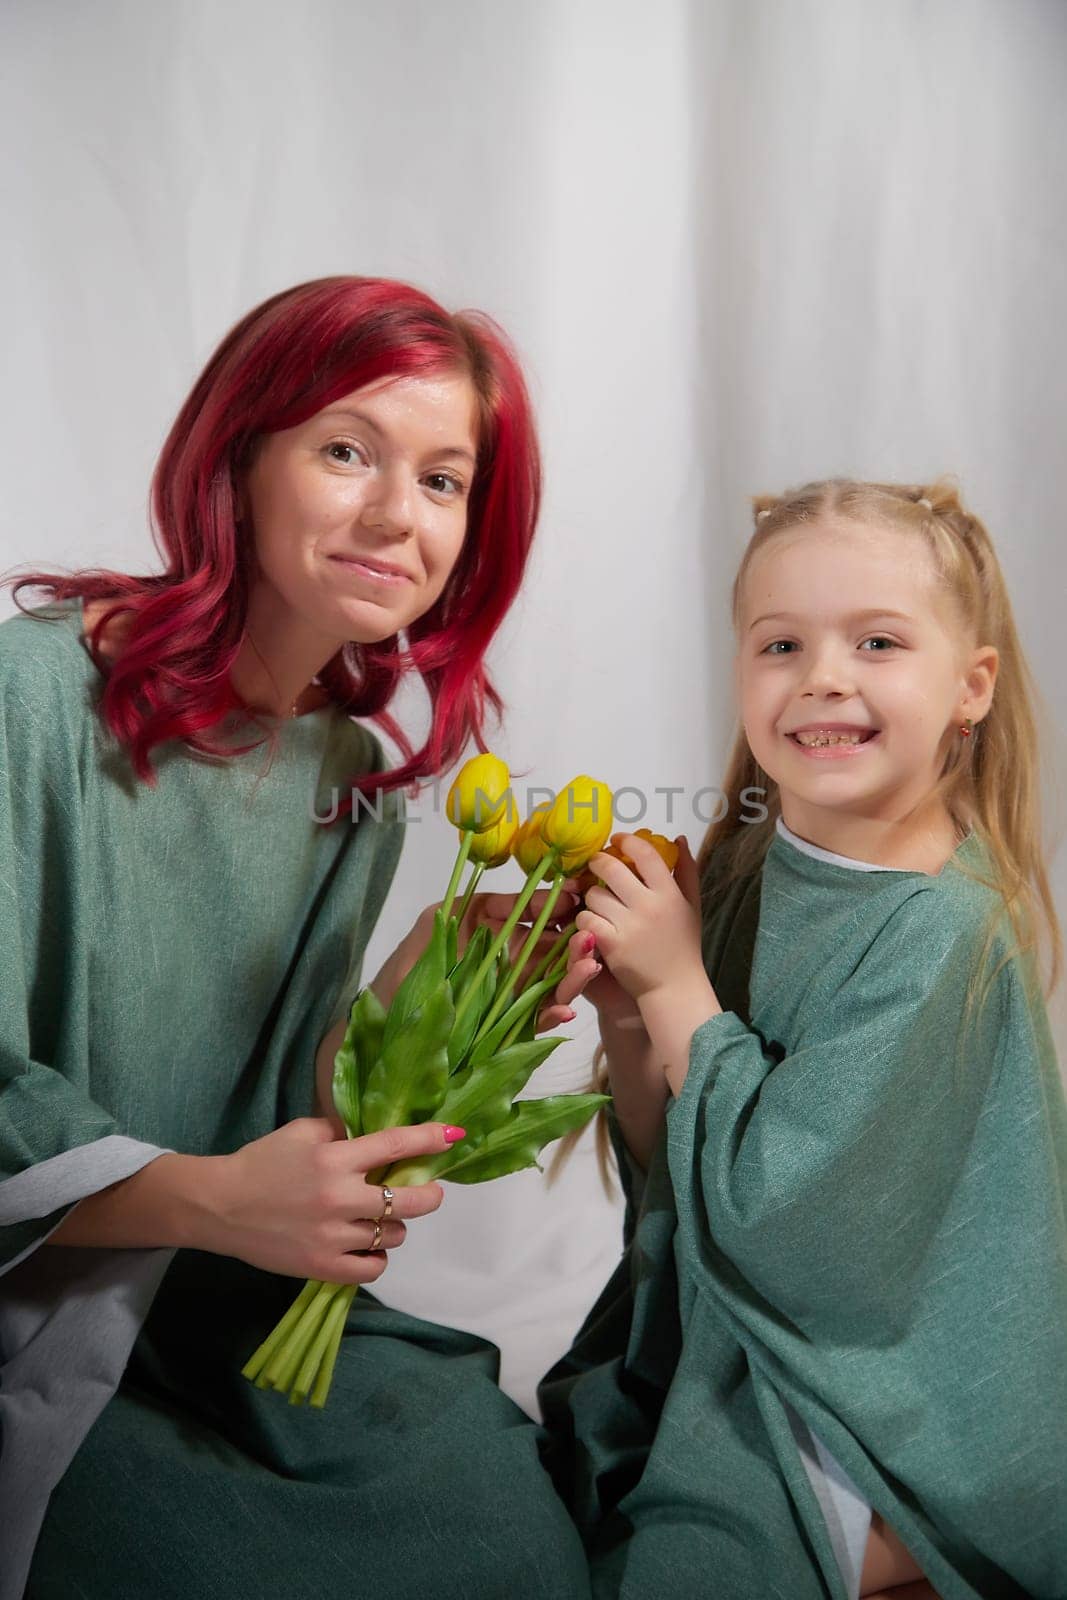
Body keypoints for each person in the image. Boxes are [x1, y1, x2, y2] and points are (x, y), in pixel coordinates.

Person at [0, 275, 589, 1600]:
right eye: (346, 450)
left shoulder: (345, 782)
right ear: (237, 460)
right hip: (44, 1317)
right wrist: (214, 1203)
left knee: (504, 1529)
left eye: (444, 482)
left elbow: (263, 1115)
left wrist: (416, 1000)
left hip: (215, 1311)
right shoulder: (31, 697)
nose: (398, 515)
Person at [542, 479, 1067, 1599]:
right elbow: (671, 1158)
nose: (821, 675)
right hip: (733, 1332)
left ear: (967, 685)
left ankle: (908, 1528)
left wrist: (681, 981)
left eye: (875, 640)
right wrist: (633, 1008)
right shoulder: (742, 868)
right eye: (780, 643)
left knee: (686, 1561)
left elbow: (786, 1221)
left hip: (880, 1376)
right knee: (565, 1483)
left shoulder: (940, 926)